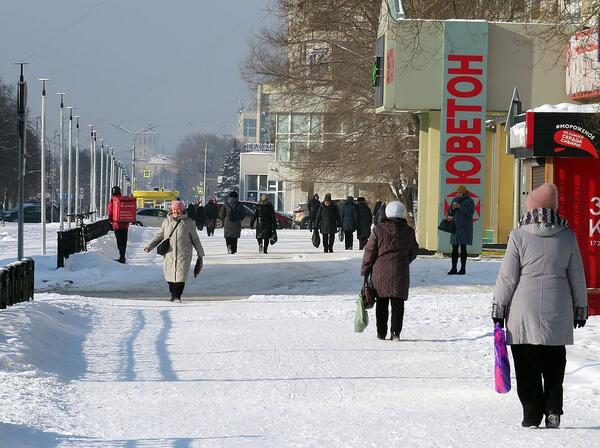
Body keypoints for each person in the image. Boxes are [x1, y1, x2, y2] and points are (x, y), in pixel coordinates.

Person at [491, 183, 587, 429]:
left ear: (531, 206)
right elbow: (577, 275)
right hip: (558, 308)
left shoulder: (519, 235)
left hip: (523, 311)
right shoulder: (567, 236)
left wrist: (498, 307)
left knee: (527, 366)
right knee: (555, 363)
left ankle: (532, 415)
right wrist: (580, 307)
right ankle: (553, 409)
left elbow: (508, 277)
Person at [360, 201, 418, 341]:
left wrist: (365, 269)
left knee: (382, 301)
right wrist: (404, 260)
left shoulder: (378, 229)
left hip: (380, 271)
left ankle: (381, 333)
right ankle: (395, 333)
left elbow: (370, 250)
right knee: (398, 302)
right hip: (401, 271)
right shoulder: (409, 231)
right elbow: (414, 251)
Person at [144, 201, 204, 302]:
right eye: (174, 209)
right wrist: (150, 246)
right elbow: (159, 236)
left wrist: (200, 253)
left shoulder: (188, 222)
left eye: (178, 209)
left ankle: (177, 296)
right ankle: (173, 294)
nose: (176, 211)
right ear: (171, 210)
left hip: (184, 253)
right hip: (169, 253)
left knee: (181, 276)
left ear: (182, 210)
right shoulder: (166, 222)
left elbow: (195, 239)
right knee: (170, 276)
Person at [447, 185, 475, 275]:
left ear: (464, 192)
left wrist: (460, 207)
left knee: (463, 248)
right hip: (455, 228)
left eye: (459, 192)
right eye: (457, 192)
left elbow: (470, 213)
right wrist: (452, 208)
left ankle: (463, 268)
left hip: (465, 229)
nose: (458, 194)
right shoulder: (454, 200)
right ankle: (453, 268)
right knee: (454, 249)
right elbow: (450, 213)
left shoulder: (470, 201)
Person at [106, 186, 129, 264]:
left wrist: (110, 221)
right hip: (125, 224)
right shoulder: (123, 199)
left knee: (119, 241)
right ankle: (123, 256)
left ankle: (121, 257)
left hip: (117, 224)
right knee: (124, 241)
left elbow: (110, 212)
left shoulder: (113, 200)